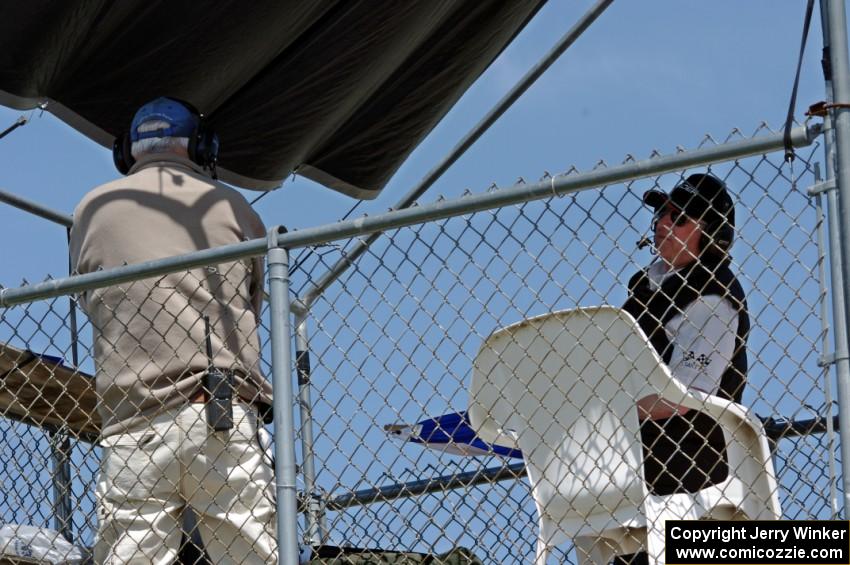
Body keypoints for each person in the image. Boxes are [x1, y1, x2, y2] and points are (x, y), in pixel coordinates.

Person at [69, 97, 276, 564]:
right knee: (249, 554)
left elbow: (88, 299)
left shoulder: (91, 209)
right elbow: (253, 298)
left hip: (131, 420)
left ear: (128, 151)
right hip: (219, 409)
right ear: (203, 147)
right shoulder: (231, 204)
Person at [616, 173, 750, 564]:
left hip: (690, 469)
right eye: (662, 213)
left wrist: (604, 412)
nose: (662, 224)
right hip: (635, 467)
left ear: (712, 235)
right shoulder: (648, 289)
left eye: (679, 219)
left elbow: (683, 396)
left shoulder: (714, 297)